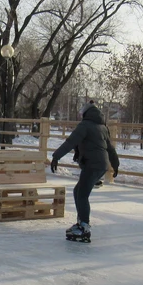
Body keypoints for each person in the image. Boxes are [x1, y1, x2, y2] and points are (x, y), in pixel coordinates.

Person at [49, 101, 120, 243]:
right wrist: (115, 164)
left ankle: (84, 226)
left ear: (86, 114)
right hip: (101, 165)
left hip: (92, 165)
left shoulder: (85, 126)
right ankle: (81, 222)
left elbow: (70, 142)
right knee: (78, 192)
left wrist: (56, 156)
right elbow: (110, 149)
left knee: (81, 194)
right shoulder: (102, 127)